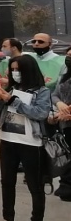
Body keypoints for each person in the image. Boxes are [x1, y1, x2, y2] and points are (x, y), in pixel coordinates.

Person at [0, 55, 51, 221]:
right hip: (8, 141)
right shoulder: (10, 88)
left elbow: (40, 113)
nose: (15, 73)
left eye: (18, 69)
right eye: (13, 70)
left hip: (31, 143)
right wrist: (0, 100)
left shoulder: (42, 91)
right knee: (7, 183)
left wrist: (12, 100)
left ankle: (36, 218)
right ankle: (8, 216)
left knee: (35, 185)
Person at [51, 47, 71, 201]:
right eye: (68, 55)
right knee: (66, 153)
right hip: (64, 120)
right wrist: (59, 105)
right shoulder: (64, 75)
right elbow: (55, 94)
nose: (68, 58)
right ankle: (65, 184)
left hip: (67, 117)